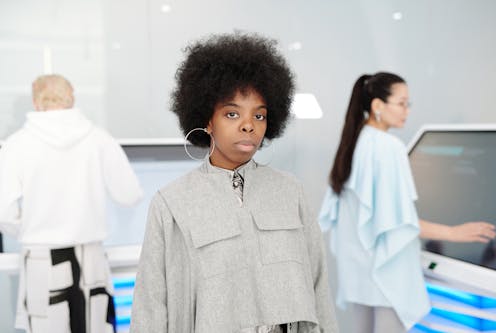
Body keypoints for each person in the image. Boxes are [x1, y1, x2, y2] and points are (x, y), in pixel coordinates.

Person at [130, 33, 338, 333]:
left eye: (260, 115)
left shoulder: (289, 192)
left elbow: (319, 286)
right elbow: (150, 304)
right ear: (208, 120)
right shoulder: (173, 203)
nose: (248, 124)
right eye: (232, 113)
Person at [318, 72, 496, 333]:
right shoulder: (388, 147)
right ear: (378, 106)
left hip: (359, 271)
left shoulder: (353, 142)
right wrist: (455, 233)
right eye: (402, 103)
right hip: (385, 271)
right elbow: (398, 221)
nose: (407, 111)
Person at [0, 74, 143, 333]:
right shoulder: (99, 139)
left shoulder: (17, 144)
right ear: (72, 98)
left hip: (41, 261)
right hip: (90, 259)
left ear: (35, 101)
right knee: (93, 324)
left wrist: (29, 225)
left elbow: (3, 213)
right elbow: (129, 194)